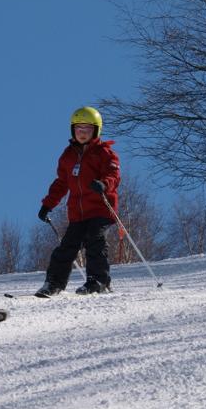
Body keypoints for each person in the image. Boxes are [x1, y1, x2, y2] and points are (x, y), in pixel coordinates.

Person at [36, 106, 120, 297]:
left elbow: (113, 175)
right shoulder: (68, 156)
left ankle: (98, 281)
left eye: (87, 130)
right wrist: (48, 204)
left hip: (100, 209)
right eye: (79, 129)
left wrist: (104, 184)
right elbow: (61, 183)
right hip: (78, 213)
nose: (82, 134)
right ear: (73, 130)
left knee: (95, 241)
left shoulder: (105, 153)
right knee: (66, 247)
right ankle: (54, 283)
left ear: (96, 131)